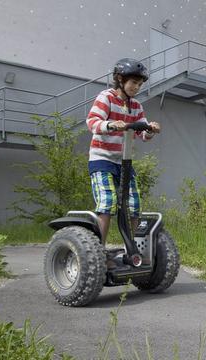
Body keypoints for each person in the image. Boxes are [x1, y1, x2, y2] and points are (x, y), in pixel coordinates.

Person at [86, 58, 160, 243]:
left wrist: (150, 129)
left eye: (140, 84)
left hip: (124, 162)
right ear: (120, 79)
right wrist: (110, 124)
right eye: (134, 82)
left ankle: (135, 250)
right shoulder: (106, 98)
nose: (137, 87)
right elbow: (92, 122)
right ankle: (98, 250)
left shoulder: (136, 106)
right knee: (107, 203)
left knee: (134, 205)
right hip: (102, 160)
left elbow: (142, 134)